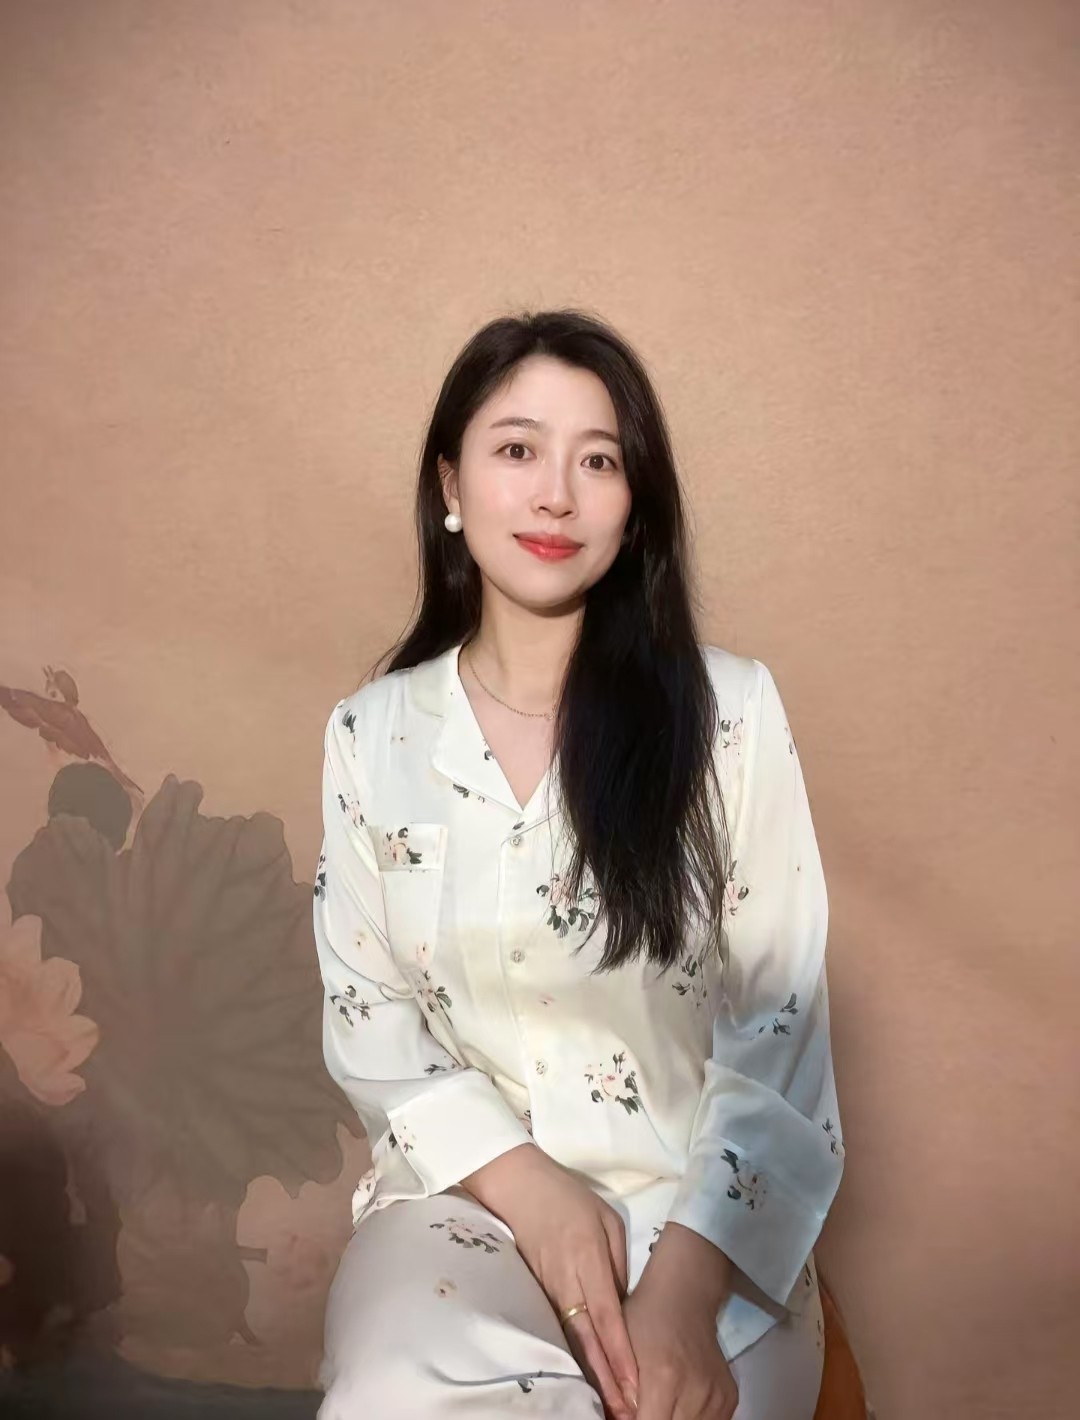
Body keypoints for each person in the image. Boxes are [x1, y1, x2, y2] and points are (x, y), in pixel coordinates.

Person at [312, 309, 845, 1420]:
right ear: (450, 484)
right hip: (468, 1209)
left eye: (597, 461)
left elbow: (778, 1028)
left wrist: (684, 1297)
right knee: (399, 1392)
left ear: (633, 506)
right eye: (517, 449)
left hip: (701, 1226)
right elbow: (372, 1020)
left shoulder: (731, 715)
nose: (555, 494)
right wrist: (533, 1192)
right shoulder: (370, 736)